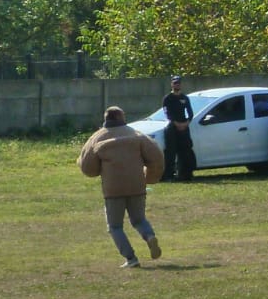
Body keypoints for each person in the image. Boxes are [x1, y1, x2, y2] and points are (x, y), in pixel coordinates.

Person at [78, 105, 164, 268]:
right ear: (122, 117)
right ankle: (149, 236)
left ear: (106, 118)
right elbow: (156, 157)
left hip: (113, 189)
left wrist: (99, 170)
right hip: (137, 185)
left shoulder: (97, 138)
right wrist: (150, 178)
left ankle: (131, 258)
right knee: (139, 219)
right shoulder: (136, 134)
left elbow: (87, 166)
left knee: (115, 226)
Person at [160, 75, 195, 183]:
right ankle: (169, 175)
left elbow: (190, 113)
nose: (177, 85)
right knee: (170, 152)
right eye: (175, 83)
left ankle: (185, 174)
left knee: (186, 151)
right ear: (171, 84)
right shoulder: (167, 98)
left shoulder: (185, 98)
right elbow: (167, 113)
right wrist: (176, 123)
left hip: (184, 126)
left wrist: (186, 123)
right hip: (172, 127)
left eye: (178, 83)